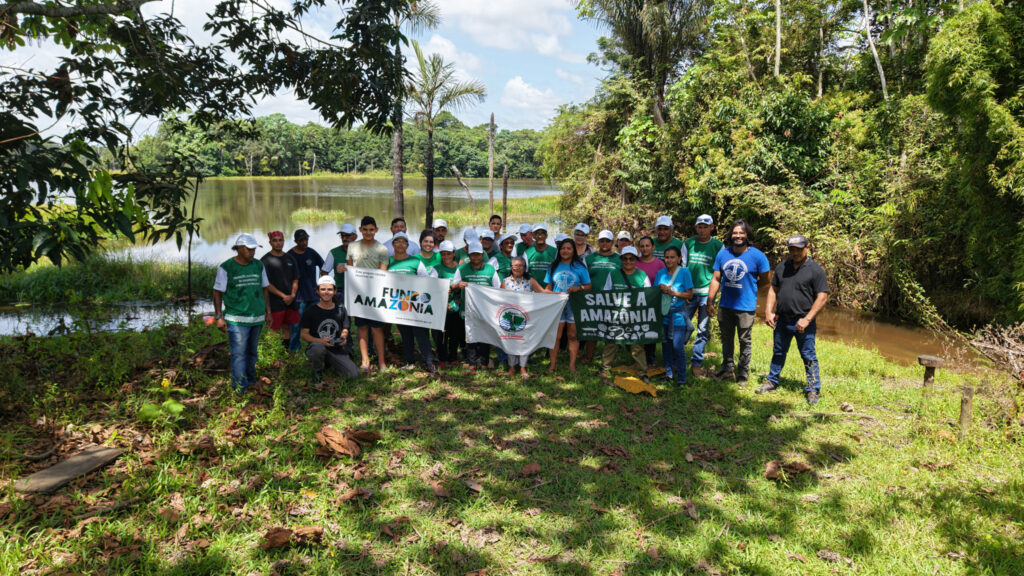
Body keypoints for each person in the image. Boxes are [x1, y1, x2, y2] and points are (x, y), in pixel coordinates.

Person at [759, 235, 829, 405]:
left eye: (799, 249)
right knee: (778, 352)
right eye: (792, 249)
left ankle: (813, 389)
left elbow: (822, 297)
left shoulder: (815, 270)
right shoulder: (783, 267)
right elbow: (773, 290)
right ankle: (772, 380)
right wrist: (768, 311)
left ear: (807, 248)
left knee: (808, 355)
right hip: (782, 319)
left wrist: (807, 319)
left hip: (803, 322)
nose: (795, 252)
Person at [707, 219, 771, 384]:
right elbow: (715, 279)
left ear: (747, 235)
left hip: (746, 306)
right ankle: (727, 369)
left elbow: (765, 281)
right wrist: (710, 301)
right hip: (726, 305)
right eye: (735, 232)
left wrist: (752, 292)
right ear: (731, 235)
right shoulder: (723, 254)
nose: (738, 236)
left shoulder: (758, 256)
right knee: (726, 339)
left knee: (744, 340)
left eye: (741, 233)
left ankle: (742, 373)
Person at [212, 233, 271, 392]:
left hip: (257, 318)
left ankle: (250, 380)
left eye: (254, 249)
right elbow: (217, 292)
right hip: (237, 320)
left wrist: (268, 312)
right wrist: (219, 316)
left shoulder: (259, 265)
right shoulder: (226, 267)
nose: (252, 252)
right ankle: (239, 388)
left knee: (252, 352)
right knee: (238, 354)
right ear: (238, 249)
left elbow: (264, 289)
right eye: (249, 249)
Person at [388, 232, 438, 375]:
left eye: (403, 242)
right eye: (397, 241)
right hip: (398, 304)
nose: (400, 245)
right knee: (405, 334)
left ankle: (429, 363)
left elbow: (426, 281)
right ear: (393, 244)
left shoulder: (416, 262)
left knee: (421, 333)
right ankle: (410, 361)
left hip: (415, 305)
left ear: (408, 246)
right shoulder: (388, 261)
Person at [599, 246, 651, 382]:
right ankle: (605, 368)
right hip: (616, 314)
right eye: (625, 258)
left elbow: (648, 296)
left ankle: (642, 372)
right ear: (621, 259)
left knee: (637, 344)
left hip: (634, 316)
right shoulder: (614, 274)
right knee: (611, 341)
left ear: (635, 260)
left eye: (631, 259)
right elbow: (606, 292)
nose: (628, 261)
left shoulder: (642, 275)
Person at [683, 214, 724, 379]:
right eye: (699, 226)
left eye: (705, 226)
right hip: (688, 293)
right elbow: (683, 268)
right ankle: (676, 360)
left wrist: (711, 298)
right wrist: (684, 291)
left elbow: (718, 274)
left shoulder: (718, 246)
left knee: (702, 330)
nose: (702, 230)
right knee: (682, 327)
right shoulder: (688, 244)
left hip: (707, 294)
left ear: (711, 227)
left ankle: (696, 364)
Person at [347, 216, 390, 372]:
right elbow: (350, 269)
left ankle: (381, 362)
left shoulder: (382, 249)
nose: (368, 232)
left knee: (377, 329)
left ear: (376, 230)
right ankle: (365, 361)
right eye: (365, 229)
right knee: (362, 327)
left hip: (375, 294)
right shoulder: (352, 246)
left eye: (371, 229)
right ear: (360, 230)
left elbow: (383, 273)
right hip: (358, 294)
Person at [452, 241, 501, 369]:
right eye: (473, 255)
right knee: (470, 335)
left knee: (485, 334)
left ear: (482, 254)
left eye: (478, 255)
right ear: (469, 255)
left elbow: (497, 288)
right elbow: (453, 286)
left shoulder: (490, 269)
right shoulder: (462, 269)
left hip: (486, 309)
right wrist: (458, 285)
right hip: (468, 308)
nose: (476, 257)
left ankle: (484, 362)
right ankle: (472, 363)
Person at [545, 238, 592, 373]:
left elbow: (589, 286)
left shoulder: (580, 267)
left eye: (569, 248)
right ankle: (552, 365)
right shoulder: (553, 266)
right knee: (556, 336)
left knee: (572, 336)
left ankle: (572, 366)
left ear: (574, 251)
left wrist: (579, 288)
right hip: (557, 305)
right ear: (559, 251)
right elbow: (548, 286)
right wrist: (551, 294)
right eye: (563, 248)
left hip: (573, 304)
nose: (565, 251)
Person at [301, 275, 358, 383]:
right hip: (317, 346)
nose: (326, 292)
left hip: (336, 348)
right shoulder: (310, 311)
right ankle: (317, 372)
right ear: (317, 291)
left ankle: (330, 363)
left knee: (353, 374)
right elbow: (304, 334)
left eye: (329, 289)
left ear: (335, 291)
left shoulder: (341, 309)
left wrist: (343, 337)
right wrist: (320, 341)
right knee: (318, 348)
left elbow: (345, 328)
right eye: (322, 289)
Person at [501, 256, 547, 378]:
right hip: (510, 317)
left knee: (524, 341)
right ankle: (511, 367)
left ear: (525, 267)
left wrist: (558, 295)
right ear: (511, 267)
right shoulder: (505, 282)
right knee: (510, 340)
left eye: (520, 265)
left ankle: (523, 367)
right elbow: (498, 298)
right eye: (515, 265)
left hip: (525, 317)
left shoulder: (530, 280)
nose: (518, 267)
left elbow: (541, 292)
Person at [655, 246, 695, 386]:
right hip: (664, 314)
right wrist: (660, 288)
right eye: (667, 257)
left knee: (677, 347)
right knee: (666, 346)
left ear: (679, 258)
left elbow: (689, 294)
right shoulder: (660, 273)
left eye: (672, 257)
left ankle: (682, 379)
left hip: (678, 315)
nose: (669, 260)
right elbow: (654, 292)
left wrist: (674, 293)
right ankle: (669, 373)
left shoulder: (684, 272)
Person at [583, 229, 621, 362]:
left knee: (610, 328)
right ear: (598, 242)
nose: (605, 243)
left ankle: (609, 358)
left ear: (612, 242)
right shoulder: (589, 258)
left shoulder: (619, 258)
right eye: (602, 241)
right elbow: (582, 276)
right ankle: (589, 356)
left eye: (608, 241)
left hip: (612, 299)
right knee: (592, 328)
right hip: (592, 298)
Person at [261, 230, 300, 351]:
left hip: (290, 301)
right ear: (270, 242)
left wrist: (292, 295)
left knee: (287, 327)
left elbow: (296, 279)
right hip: (275, 302)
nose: (278, 243)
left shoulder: (290, 258)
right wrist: (284, 296)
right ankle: (271, 355)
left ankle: (285, 353)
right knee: (273, 329)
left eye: (280, 240)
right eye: (275, 240)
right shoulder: (265, 260)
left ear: (283, 241)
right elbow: (266, 284)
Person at [287, 228, 324, 352]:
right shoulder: (289, 255)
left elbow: (323, 267)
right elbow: (284, 275)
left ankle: (315, 348)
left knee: (315, 323)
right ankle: (294, 350)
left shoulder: (311, 253)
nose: (304, 242)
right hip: (298, 298)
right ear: (295, 241)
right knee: (296, 325)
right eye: (301, 240)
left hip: (313, 296)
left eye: (306, 239)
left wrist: (321, 285)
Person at [635, 236, 666, 367]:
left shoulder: (660, 264)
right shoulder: (635, 262)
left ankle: (650, 359)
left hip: (653, 302)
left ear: (653, 247)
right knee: (637, 331)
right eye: (642, 246)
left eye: (647, 245)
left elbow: (664, 280)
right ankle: (638, 359)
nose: (645, 248)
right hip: (636, 302)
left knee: (650, 331)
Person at [434, 240, 464, 369]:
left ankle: (453, 357)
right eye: (443, 254)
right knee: (441, 334)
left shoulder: (460, 269)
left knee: (455, 333)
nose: (446, 257)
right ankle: (442, 357)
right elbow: (431, 287)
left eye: (449, 254)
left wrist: (457, 300)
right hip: (440, 306)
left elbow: (463, 286)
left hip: (456, 306)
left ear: (454, 253)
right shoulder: (436, 269)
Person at [322, 223, 357, 302]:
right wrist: (329, 290)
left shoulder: (362, 251)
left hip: (357, 290)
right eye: (342, 236)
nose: (344, 238)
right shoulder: (334, 252)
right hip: (339, 291)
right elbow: (324, 272)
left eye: (347, 236)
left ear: (355, 237)